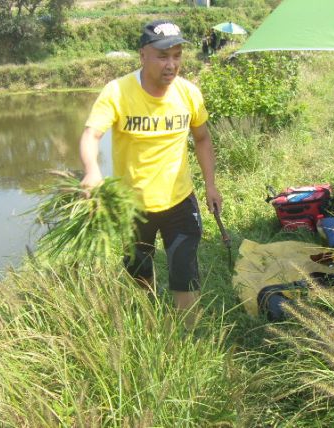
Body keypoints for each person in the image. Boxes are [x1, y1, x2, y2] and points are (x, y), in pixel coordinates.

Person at [79, 20, 222, 326]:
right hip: (133, 206)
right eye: (162, 56)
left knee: (184, 274)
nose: (171, 64)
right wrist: (92, 170)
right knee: (139, 275)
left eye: (177, 55)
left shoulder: (189, 94)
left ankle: (189, 337)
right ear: (142, 54)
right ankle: (150, 329)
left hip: (179, 202)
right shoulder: (117, 92)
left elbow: (202, 138)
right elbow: (91, 135)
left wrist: (211, 185)